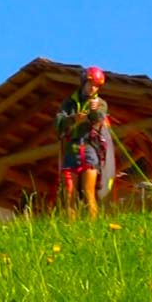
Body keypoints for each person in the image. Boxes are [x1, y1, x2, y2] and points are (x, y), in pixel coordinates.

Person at [55, 66, 110, 219]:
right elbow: (58, 122)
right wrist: (73, 119)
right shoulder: (69, 103)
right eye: (91, 84)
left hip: (90, 149)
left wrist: (94, 111)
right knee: (69, 194)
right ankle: (70, 227)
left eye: (96, 86)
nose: (93, 88)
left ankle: (93, 226)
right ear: (84, 82)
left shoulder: (101, 103)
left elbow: (99, 118)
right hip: (71, 149)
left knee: (88, 192)